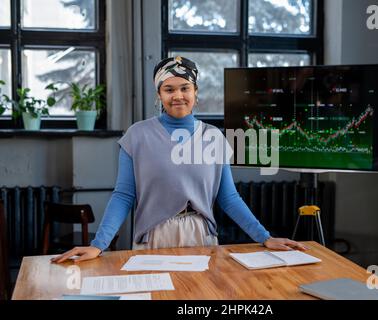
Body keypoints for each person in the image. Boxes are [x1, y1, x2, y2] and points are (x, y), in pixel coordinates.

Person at [52, 56, 307, 264]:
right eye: (169, 89)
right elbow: (123, 195)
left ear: (195, 92)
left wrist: (264, 237)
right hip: (153, 236)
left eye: (185, 88)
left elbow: (228, 197)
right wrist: (98, 246)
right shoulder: (137, 135)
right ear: (159, 95)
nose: (178, 96)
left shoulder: (214, 137)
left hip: (201, 237)